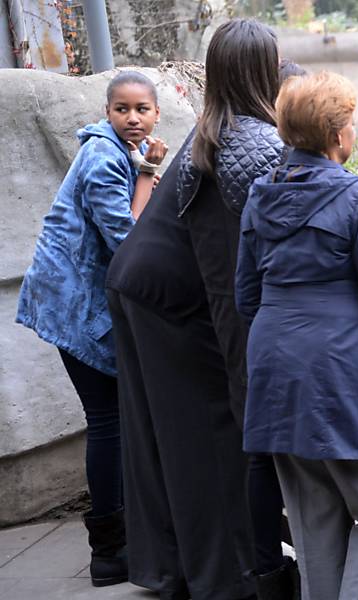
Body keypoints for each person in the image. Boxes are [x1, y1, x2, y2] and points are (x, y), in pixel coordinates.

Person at [235, 70, 358, 600]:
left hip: (276, 369)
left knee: (315, 525)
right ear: (337, 133)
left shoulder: (261, 196)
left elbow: (246, 298)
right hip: (340, 372)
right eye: (351, 121)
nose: (354, 130)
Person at [105, 19, 291, 600]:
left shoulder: (215, 126)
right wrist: (246, 386)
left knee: (160, 439)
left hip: (140, 286)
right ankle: (225, 580)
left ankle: (168, 568)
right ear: (266, 69)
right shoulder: (256, 145)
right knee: (209, 441)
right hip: (170, 304)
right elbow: (228, 280)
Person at [16, 70, 167, 588]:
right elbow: (128, 237)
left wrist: (145, 166)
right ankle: (109, 551)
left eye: (141, 110)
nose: (132, 118)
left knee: (115, 419)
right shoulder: (105, 156)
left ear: (156, 114)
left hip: (81, 306)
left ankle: (120, 540)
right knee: (107, 421)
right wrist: (149, 169)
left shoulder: (119, 152)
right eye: (122, 109)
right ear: (107, 113)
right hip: (73, 308)